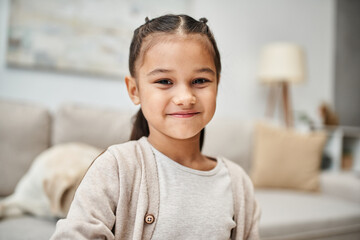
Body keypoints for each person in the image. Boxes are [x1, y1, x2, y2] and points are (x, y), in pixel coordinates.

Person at [51, 14, 260, 240]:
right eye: (164, 81)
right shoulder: (116, 167)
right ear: (134, 90)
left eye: (200, 81)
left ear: (216, 85)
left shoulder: (238, 183)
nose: (185, 97)